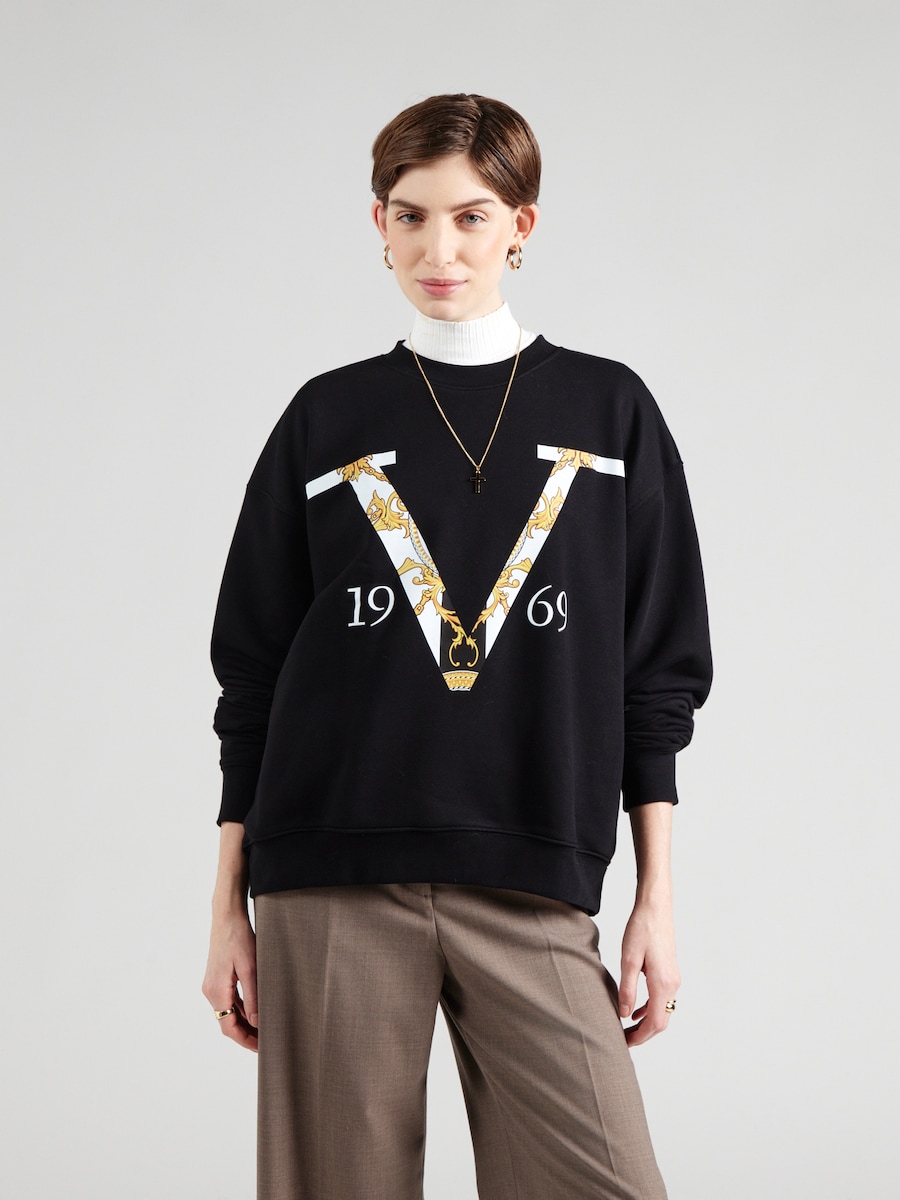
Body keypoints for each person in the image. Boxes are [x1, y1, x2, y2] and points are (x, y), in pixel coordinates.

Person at [202, 93, 712, 1200]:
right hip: (329, 874)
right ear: (377, 225)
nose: (440, 249)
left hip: (533, 870)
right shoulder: (324, 418)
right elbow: (252, 677)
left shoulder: (612, 412)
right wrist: (226, 907)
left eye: (472, 216)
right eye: (412, 216)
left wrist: (655, 898)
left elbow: (658, 674)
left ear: (522, 225)